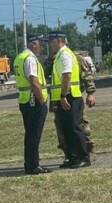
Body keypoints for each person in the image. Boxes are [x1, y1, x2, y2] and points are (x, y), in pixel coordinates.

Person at [44, 50, 97, 164]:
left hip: (73, 98)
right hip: (58, 99)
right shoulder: (54, 60)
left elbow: (87, 75)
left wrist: (90, 93)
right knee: (62, 128)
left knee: (80, 125)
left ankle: (87, 152)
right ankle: (70, 155)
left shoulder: (73, 57)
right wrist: (49, 60)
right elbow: (46, 76)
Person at [47, 30, 89, 169]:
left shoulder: (64, 54)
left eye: (51, 42)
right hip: (64, 96)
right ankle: (72, 157)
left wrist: (63, 96)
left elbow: (67, 76)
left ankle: (83, 157)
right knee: (67, 129)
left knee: (74, 127)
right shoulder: (59, 55)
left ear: (58, 41)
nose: (49, 46)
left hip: (70, 96)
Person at [13, 34, 49, 175]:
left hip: (25, 100)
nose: (41, 46)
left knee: (31, 134)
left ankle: (31, 163)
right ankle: (33, 165)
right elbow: (34, 81)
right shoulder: (30, 59)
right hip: (34, 100)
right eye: (40, 43)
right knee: (34, 135)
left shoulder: (20, 57)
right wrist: (42, 100)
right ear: (33, 44)